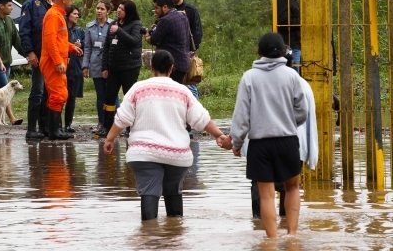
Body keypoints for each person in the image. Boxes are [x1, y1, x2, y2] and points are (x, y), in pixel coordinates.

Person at [103, 50, 227, 220]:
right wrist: (219, 135)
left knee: (149, 190)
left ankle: (148, 236)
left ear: (151, 67)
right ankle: (175, 235)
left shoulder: (138, 89)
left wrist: (110, 138)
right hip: (177, 155)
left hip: (143, 154)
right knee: (173, 189)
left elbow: (122, 119)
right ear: (172, 68)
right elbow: (201, 118)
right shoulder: (183, 91)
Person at [227, 32, 308, 238]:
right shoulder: (292, 76)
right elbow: (302, 111)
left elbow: (241, 116)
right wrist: (289, 122)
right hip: (287, 141)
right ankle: (291, 236)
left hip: (259, 144)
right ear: (283, 52)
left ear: (259, 52)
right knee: (292, 188)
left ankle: (271, 241)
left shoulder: (249, 77)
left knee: (266, 196)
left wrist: (236, 142)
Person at [241, 47, 319, 219]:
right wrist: (310, 154)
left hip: (262, 144)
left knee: (261, 190)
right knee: (290, 188)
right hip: (292, 144)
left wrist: (240, 144)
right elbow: (307, 118)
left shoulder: (253, 79)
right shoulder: (302, 84)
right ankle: (289, 230)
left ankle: (262, 230)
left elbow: (245, 115)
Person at [40, 0, 83, 140]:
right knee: (58, 95)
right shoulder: (53, 15)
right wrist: (58, 61)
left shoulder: (58, 14)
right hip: (53, 62)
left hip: (57, 61)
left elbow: (60, 41)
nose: (71, 1)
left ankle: (54, 130)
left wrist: (72, 48)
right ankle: (53, 131)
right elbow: (50, 42)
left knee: (60, 94)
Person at [96, 0, 143, 138]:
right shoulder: (113, 23)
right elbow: (107, 47)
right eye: (118, 8)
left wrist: (120, 31)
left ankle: (131, 128)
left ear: (128, 11)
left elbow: (134, 41)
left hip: (130, 67)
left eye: (121, 9)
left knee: (129, 98)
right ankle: (107, 127)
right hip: (113, 69)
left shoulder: (136, 24)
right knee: (109, 98)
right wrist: (105, 67)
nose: (118, 11)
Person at [19, 0, 57, 139]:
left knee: (49, 92)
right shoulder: (30, 4)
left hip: (53, 56)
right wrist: (30, 52)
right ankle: (31, 129)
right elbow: (24, 30)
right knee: (37, 91)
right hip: (38, 54)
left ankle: (46, 127)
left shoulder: (56, 4)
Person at [0, 0, 24, 125]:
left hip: (7, 61)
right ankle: (12, 118)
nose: (12, 8)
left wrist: (27, 54)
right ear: (1, 6)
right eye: (9, 5)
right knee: (6, 90)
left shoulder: (9, 21)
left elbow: (16, 40)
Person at [82, 0, 119, 134]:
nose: (99, 11)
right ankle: (102, 123)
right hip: (96, 63)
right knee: (100, 95)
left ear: (108, 11)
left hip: (110, 63)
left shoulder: (114, 25)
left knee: (113, 94)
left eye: (102, 9)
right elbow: (87, 47)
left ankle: (116, 123)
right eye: (97, 8)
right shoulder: (89, 26)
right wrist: (85, 65)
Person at [167, 0, 202, 99]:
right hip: (171, 52)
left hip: (187, 52)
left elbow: (197, 31)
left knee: (190, 83)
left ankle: (196, 112)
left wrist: (192, 50)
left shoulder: (190, 10)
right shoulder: (167, 10)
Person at [147, 0, 191, 84]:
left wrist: (147, 36)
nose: (155, 11)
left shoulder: (165, 20)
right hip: (183, 63)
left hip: (170, 65)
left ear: (165, 7)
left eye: (157, 8)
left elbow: (154, 40)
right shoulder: (182, 16)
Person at [63, 5, 84, 133]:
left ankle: (68, 124)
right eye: (74, 14)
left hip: (75, 67)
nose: (77, 16)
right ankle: (57, 124)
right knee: (60, 97)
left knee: (72, 97)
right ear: (68, 14)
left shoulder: (80, 31)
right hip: (62, 67)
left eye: (78, 14)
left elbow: (85, 49)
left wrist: (81, 46)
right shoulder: (62, 29)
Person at [276, 0, 301, 72]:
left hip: (292, 43)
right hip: (289, 44)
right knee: (293, 78)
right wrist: (303, 22)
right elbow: (283, 21)